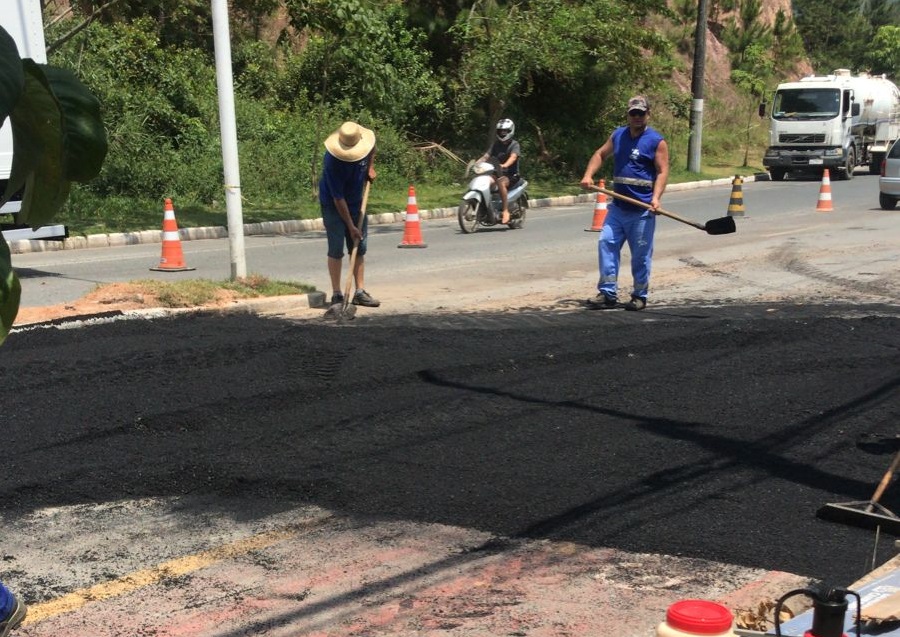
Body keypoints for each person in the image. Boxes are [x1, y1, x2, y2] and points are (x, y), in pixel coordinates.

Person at [580, 95, 669, 311]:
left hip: (642, 211)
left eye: (641, 113)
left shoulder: (656, 141)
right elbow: (600, 154)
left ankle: (640, 295)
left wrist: (656, 198)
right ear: (628, 115)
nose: (637, 117)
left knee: (640, 255)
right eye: (633, 113)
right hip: (618, 208)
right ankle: (608, 293)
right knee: (606, 244)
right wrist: (588, 175)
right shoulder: (618, 135)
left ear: (648, 114)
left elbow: (662, 171)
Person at [320, 121, 380, 308]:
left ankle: (360, 292)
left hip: (356, 201)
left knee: (359, 246)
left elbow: (373, 149)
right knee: (336, 248)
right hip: (333, 204)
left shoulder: (365, 145)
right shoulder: (332, 162)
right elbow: (338, 199)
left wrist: (369, 168)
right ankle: (337, 294)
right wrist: (351, 226)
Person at [475, 118, 521, 224]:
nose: (502, 133)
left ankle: (505, 210)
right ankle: (487, 208)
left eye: (505, 131)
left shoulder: (514, 145)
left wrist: (505, 165)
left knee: (501, 182)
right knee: (484, 181)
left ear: (510, 131)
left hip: (511, 175)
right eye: (500, 131)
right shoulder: (496, 144)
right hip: (496, 173)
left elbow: (513, 157)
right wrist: (477, 163)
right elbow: (486, 156)